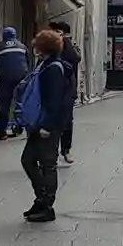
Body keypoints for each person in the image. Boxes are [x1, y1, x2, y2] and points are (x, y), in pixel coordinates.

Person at [20, 26, 72, 223]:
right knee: (28, 160)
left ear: (44, 47)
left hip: (47, 124)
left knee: (47, 164)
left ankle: (47, 204)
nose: (35, 48)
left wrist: (47, 126)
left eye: (38, 45)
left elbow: (54, 100)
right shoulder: (45, 65)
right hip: (39, 122)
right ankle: (41, 198)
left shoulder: (53, 69)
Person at [0, 26, 29, 139]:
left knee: (5, 105)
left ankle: (2, 131)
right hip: (20, 78)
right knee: (20, 102)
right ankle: (20, 126)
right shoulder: (22, 46)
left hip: (5, 79)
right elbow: (27, 60)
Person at [51, 18, 81, 162]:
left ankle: (66, 150)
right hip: (51, 90)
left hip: (67, 90)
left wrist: (66, 41)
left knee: (67, 122)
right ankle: (52, 152)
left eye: (58, 32)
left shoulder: (70, 47)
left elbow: (76, 58)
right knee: (51, 122)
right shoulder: (51, 47)